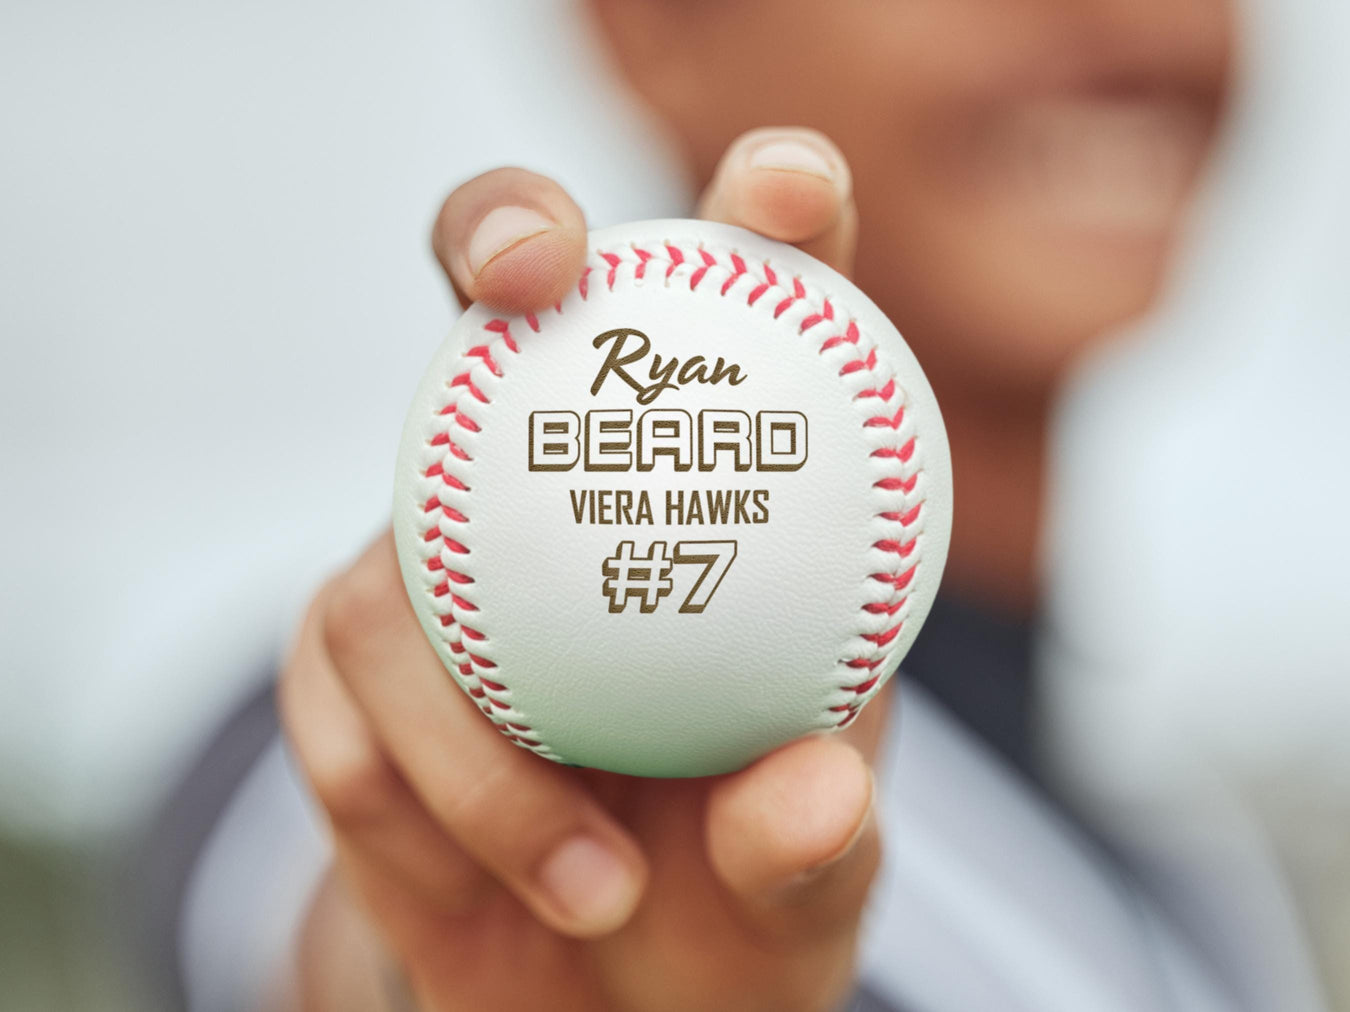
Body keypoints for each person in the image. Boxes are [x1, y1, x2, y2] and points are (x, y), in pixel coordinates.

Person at [158, 0, 1284, 1009]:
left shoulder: (1203, 872)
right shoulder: (360, 721)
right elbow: (336, 895)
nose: (1129, 22)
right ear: (652, 25)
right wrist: (467, 949)